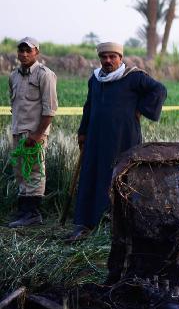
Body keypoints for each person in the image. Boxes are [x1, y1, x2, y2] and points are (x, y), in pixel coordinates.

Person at [66, 42, 167, 241]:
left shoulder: (134, 77)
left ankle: (117, 226)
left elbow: (159, 90)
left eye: (112, 56)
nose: (108, 61)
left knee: (119, 177)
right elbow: (89, 107)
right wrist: (82, 132)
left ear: (120, 58)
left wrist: (141, 107)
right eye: (104, 57)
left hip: (123, 138)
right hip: (96, 138)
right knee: (92, 175)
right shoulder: (95, 80)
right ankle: (85, 224)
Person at [6, 37, 58, 228]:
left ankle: (33, 214)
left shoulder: (45, 75)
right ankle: (23, 212)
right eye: (21, 50)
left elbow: (50, 110)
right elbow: (15, 105)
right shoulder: (14, 76)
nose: (24, 54)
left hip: (35, 134)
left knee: (35, 171)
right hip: (18, 131)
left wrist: (37, 135)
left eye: (29, 50)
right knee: (20, 172)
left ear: (37, 52)